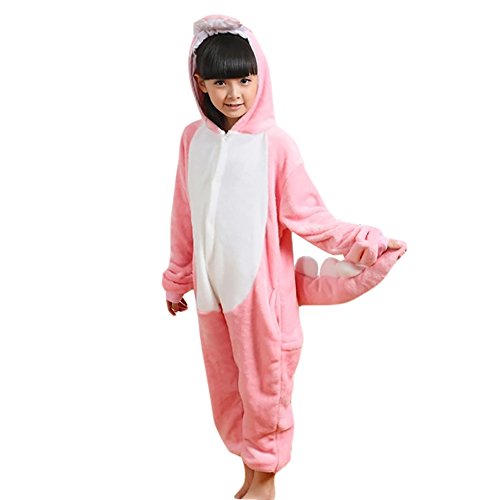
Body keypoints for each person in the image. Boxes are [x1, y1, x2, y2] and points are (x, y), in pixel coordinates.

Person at [162, 15, 406, 500]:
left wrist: (366, 239)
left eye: (245, 79)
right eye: (221, 82)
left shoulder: (275, 146)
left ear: (261, 77)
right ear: (200, 83)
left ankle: (266, 483)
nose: (234, 93)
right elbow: (183, 213)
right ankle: (250, 477)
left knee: (264, 391)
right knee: (228, 391)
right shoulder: (194, 140)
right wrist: (177, 277)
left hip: (262, 303)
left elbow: (311, 217)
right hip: (213, 298)